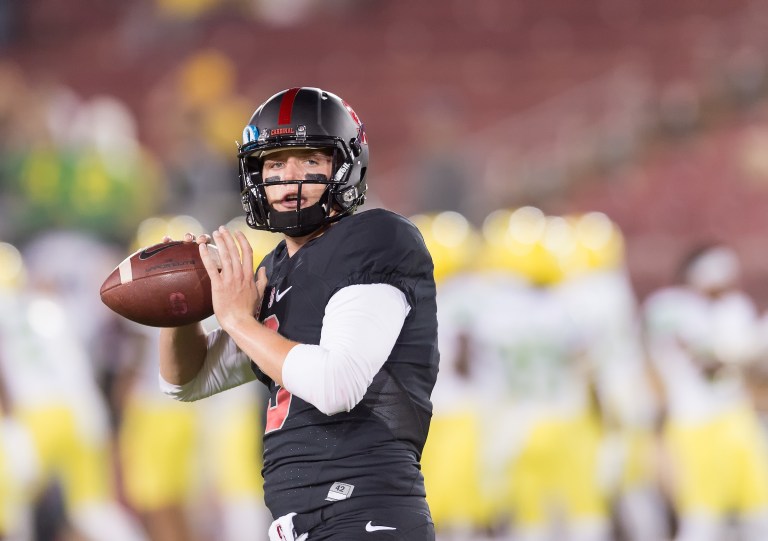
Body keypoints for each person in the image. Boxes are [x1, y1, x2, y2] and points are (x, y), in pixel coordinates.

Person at [158, 87, 439, 541]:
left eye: (309, 160)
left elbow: (336, 385)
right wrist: (180, 309)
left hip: (365, 512)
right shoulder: (275, 268)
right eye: (274, 163)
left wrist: (237, 319)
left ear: (344, 165)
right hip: (302, 521)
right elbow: (186, 383)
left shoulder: (377, 239)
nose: (289, 178)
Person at [642, 242, 768, 541]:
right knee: (702, 519)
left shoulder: (735, 308)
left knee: (759, 512)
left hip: (736, 418)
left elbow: (746, 370)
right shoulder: (669, 307)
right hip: (693, 423)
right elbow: (707, 360)